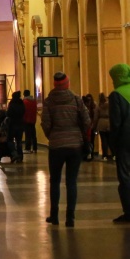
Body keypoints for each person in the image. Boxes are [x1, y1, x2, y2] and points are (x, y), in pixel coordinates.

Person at [41, 72, 91, 227]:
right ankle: (70, 218)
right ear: (67, 84)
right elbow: (87, 120)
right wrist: (82, 136)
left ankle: (54, 216)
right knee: (71, 182)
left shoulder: (49, 101)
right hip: (75, 145)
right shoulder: (76, 99)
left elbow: (45, 123)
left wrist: (53, 136)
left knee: (54, 181)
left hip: (56, 145)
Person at [108, 64, 130, 223]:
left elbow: (115, 123)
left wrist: (113, 146)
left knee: (126, 177)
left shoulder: (117, 95)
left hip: (125, 142)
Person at [7, 91, 26, 163]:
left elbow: (8, 113)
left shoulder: (11, 104)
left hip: (12, 124)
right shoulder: (22, 103)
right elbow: (24, 111)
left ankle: (14, 153)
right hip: (20, 124)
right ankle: (20, 156)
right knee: (19, 141)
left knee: (10, 140)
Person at [93, 92, 112, 160]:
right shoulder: (110, 105)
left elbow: (95, 117)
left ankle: (104, 155)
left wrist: (94, 127)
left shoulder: (98, 106)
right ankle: (113, 154)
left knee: (103, 140)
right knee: (110, 140)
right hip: (109, 123)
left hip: (101, 123)